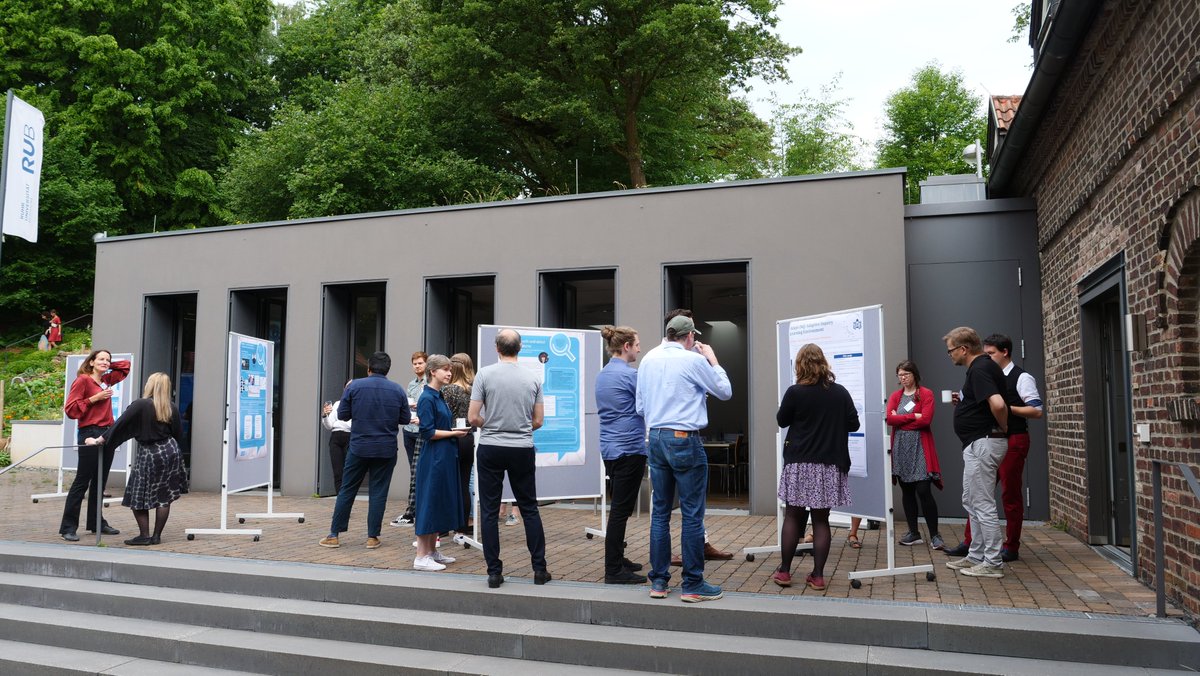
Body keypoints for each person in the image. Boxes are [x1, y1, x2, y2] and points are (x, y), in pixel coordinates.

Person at [636, 313, 732, 603]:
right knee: (692, 514)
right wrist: (713, 360)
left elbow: (641, 406)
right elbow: (725, 392)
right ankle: (692, 584)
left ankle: (659, 582)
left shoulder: (648, 359)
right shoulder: (694, 360)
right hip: (684, 439)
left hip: (656, 438)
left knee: (660, 512)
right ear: (689, 337)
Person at [945, 334, 1044, 562]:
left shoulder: (1019, 376)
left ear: (1005, 352)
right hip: (987, 439)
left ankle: (1007, 548)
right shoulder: (987, 372)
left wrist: (1004, 418)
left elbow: (1036, 410)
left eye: (991, 353)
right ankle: (973, 547)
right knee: (975, 496)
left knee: (1004, 494)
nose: (987, 357)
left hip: (1010, 438)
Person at [468, 329, 551, 588]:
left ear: (497, 348)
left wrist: (491, 424)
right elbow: (538, 420)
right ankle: (539, 570)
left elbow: (472, 417)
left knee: (490, 511)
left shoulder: (484, 374)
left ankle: (494, 572)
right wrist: (520, 428)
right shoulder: (533, 377)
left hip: (491, 445)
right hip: (522, 447)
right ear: (521, 347)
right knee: (529, 508)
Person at [773, 344, 860, 591]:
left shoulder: (795, 392)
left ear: (799, 365)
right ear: (824, 364)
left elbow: (782, 420)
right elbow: (853, 424)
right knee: (821, 520)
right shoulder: (840, 392)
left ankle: (785, 571)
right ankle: (818, 576)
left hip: (799, 462)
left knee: (793, 515)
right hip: (829, 464)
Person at [319, 352, 410, 549]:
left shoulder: (355, 387)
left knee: (347, 489)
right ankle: (372, 537)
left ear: (369, 368)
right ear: (387, 369)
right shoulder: (397, 390)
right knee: (378, 492)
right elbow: (404, 419)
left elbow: (342, 415)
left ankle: (334, 534)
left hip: (359, 446)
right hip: (386, 449)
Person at [85, 372, 188, 545]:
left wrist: (99, 440)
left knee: (137, 494)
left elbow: (120, 424)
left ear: (150, 385)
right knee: (164, 496)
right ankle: (156, 536)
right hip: (170, 451)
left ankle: (144, 535)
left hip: (149, 452)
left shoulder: (140, 404)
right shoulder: (171, 407)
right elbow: (179, 434)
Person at [943, 327, 1009, 579]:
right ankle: (976, 555)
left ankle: (992, 562)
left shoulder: (981, 368)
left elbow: (999, 404)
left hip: (983, 442)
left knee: (982, 503)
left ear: (963, 349)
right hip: (977, 442)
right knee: (971, 500)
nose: (949, 355)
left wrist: (1002, 426)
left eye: (950, 350)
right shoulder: (981, 368)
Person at [59, 349, 131, 541]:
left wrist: (107, 366)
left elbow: (126, 367)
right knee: (82, 481)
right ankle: (68, 527)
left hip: (107, 433)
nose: (105, 362)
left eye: (108, 359)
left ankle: (95, 522)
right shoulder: (83, 380)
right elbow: (71, 409)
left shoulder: (106, 380)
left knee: (100, 481)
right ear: (90, 361)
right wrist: (94, 399)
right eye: (101, 359)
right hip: (89, 433)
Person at [596, 325, 648, 585]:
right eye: (637, 343)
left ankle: (618, 558)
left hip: (610, 448)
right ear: (626, 346)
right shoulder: (630, 375)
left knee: (619, 508)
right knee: (620, 511)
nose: (639, 348)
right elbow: (645, 406)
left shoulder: (603, 374)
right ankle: (613, 570)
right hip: (629, 448)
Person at [413, 355, 469, 571]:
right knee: (429, 501)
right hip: (435, 457)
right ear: (433, 372)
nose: (449, 373)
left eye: (449, 370)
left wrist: (453, 434)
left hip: (443, 455)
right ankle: (421, 556)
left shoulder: (438, 395)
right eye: (445, 370)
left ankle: (431, 551)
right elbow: (427, 432)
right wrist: (454, 434)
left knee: (437, 501)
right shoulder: (427, 398)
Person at [884, 360, 944, 550]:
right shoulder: (896, 396)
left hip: (920, 448)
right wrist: (912, 417)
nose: (903, 378)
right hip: (901, 448)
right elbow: (889, 419)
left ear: (914, 374)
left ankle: (935, 534)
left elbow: (926, 420)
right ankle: (913, 532)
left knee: (923, 490)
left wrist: (901, 419)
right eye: (900, 375)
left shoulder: (925, 394)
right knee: (907, 491)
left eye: (906, 374)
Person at [392, 351, 427, 527]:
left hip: (422, 430)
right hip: (409, 429)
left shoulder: (429, 383)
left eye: (420, 363)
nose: (417, 366)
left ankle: (412, 511)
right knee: (413, 471)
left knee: (418, 471)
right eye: (414, 364)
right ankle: (414, 510)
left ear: (427, 364)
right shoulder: (411, 384)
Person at [444, 353, 476, 534]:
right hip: (469, 438)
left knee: (448, 484)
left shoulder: (449, 391)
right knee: (464, 483)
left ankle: (443, 527)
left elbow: (444, 416)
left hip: (452, 437)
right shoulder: (471, 390)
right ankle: (463, 525)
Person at [321, 381, 352, 495]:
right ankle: (340, 499)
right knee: (337, 471)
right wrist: (324, 415)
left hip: (350, 436)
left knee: (349, 471)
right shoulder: (338, 404)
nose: (349, 389)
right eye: (347, 386)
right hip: (335, 437)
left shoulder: (358, 403)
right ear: (344, 389)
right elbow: (329, 425)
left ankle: (347, 498)